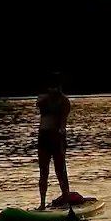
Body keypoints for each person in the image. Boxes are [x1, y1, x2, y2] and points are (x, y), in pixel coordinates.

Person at [37, 75, 72, 210]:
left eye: (55, 87)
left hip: (57, 138)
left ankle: (65, 199)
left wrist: (62, 129)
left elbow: (63, 120)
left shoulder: (64, 102)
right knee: (43, 171)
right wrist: (48, 98)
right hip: (44, 137)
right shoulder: (43, 100)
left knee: (60, 170)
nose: (52, 90)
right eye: (50, 87)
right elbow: (40, 105)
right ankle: (42, 203)